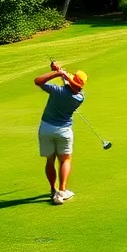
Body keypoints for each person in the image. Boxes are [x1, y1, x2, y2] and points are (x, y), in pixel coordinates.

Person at [34, 60, 87, 205]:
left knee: (50, 161)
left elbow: (38, 81)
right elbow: (71, 86)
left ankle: (53, 190)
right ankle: (62, 191)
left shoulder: (56, 90)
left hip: (46, 128)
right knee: (65, 160)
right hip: (64, 131)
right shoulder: (80, 97)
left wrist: (56, 73)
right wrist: (61, 72)